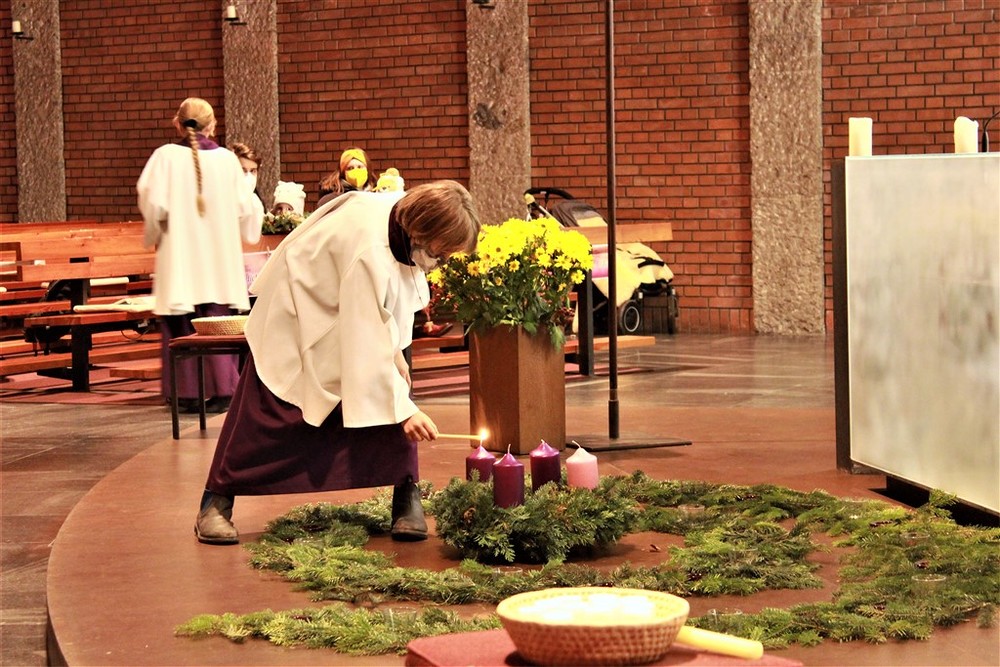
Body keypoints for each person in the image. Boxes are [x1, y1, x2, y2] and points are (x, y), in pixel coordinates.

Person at [194, 181, 481, 545]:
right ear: (423, 230)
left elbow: (389, 302)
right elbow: (365, 337)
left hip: (344, 312)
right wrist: (404, 410)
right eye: (444, 250)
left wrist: (396, 357)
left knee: (391, 394)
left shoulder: (404, 222)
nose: (444, 259)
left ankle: (405, 495)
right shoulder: (368, 249)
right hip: (299, 319)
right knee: (271, 416)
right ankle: (215, 502)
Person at [137, 98, 263, 414]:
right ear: (213, 125)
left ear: (177, 123)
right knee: (218, 324)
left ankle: (188, 394)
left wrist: (155, 232)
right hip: (218, 261)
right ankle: (224, 389)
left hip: (179, 258)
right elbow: (245, 208)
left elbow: (152, 204)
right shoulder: (227, 161)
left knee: (181, 325)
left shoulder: (164, 157)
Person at [229, 141, 266, 217]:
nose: (249, 177)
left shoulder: (256, 203)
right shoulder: (223, 203)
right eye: (243, 170)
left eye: (253, 171)